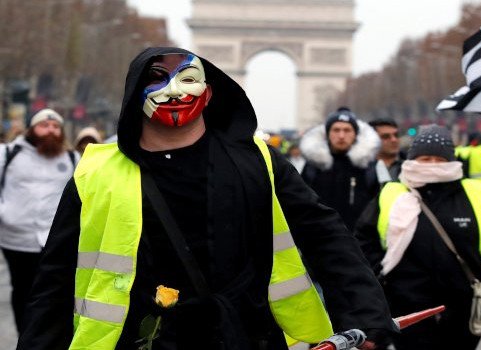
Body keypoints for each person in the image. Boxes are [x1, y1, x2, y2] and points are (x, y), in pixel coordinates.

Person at [18, 47, 396, 349]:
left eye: (187, 79)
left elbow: (324, 234)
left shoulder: (259, 160)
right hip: (139, 337)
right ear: (136, 94)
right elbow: (55, 277)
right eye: (157, 81)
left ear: (209, 91)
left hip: (245, 333)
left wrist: (365, 311)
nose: (175, 91)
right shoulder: (95, 171)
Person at [355, 125, 481, 349]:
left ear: (451, 160)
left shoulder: (475, 192)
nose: (431, 166)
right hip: (407, 305)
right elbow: (364, 239)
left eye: (438, 159)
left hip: (463, 304)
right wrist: (381, 279)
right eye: (425, 158)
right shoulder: (391, 194)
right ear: (412, 160)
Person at [0, 108, 78, 333]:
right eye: (44, 125)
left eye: (55, 126)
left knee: (54, 291)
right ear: (32, 129)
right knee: (23, 290)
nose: (51, 130)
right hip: (16, 240)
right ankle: (24, 334)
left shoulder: (72, 159)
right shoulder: (9, 154)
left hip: (57, 241)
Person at [300, 107, 380, 230]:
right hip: (320, 237)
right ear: (327, 134)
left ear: (356, 134)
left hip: (359, 240)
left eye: (347, 130)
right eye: (336, 130)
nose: (341, 135)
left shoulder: (369, 165)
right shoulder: (314, 165)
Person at [368, 118, 403, 183]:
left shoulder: (411, 164)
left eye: (396, 135)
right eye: (386, 137)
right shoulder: (362, 170)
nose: (394, 140)